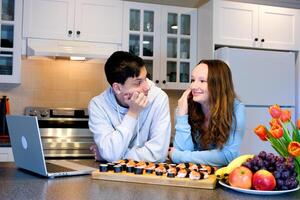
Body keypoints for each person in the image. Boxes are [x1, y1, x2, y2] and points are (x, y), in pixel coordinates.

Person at [88, 51, 171, 162]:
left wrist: (108, 156)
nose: (147, 87)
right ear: (117, 88)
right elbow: (110, 153)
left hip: (149, 174)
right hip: (114, 176)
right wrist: (133, 113)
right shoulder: (98, 105)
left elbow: (158, 154)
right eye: (138, 83)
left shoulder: (159, 98)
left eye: (145, 79)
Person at [168, 59, 245, 166]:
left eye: (202, 81)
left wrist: (178, 156)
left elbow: (228, 155)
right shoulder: (184, 107)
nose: (193, 86)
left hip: (221, 176)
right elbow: (182, 151)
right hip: (191, 175)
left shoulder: (235, 109)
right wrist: (182, 115)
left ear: (218, 85)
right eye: (192, 80)